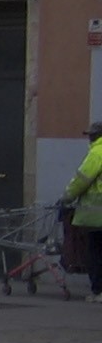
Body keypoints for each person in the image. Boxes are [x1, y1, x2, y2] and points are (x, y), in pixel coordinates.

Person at [62, 119, 102, 303]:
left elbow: (82, 180)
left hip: (96, 217)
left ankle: (98, 290)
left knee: (95, 253)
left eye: (92, 134)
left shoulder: (97, 152)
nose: (89, 138)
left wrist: (66, 198)